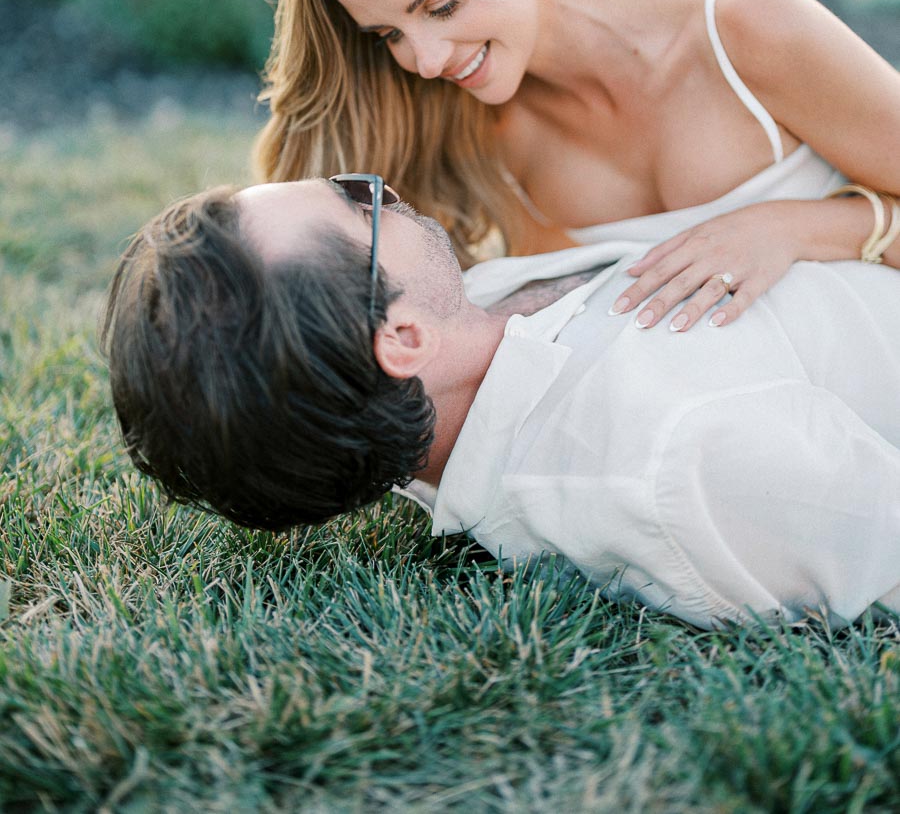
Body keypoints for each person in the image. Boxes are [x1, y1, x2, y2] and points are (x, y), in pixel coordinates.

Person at [103, 174, 900, 630]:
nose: (385, 188)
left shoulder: (467, 328)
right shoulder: (670, 459)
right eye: (358, 200)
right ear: (403, 340)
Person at [254, 0, 900, 333]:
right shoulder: (474, 130)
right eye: (387, 34)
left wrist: (794, 228)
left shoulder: (743, 26)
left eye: (442, 6)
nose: (422, 60)